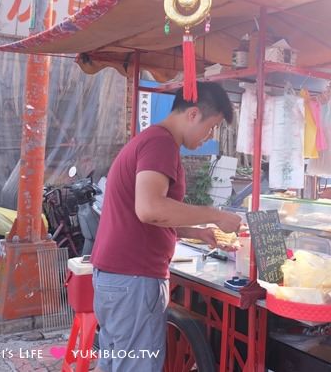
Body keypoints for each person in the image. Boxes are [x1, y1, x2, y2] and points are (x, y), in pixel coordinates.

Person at [91, 82, 242, 372]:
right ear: (194, 114)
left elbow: (146, 214)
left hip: (118, 278)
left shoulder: (150, 140)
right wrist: (215, 214)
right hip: (133, 279)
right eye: (211, 128)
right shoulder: (161, 144)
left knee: (113, 364)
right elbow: (150, 209)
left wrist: (197, 232)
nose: (209, 137)